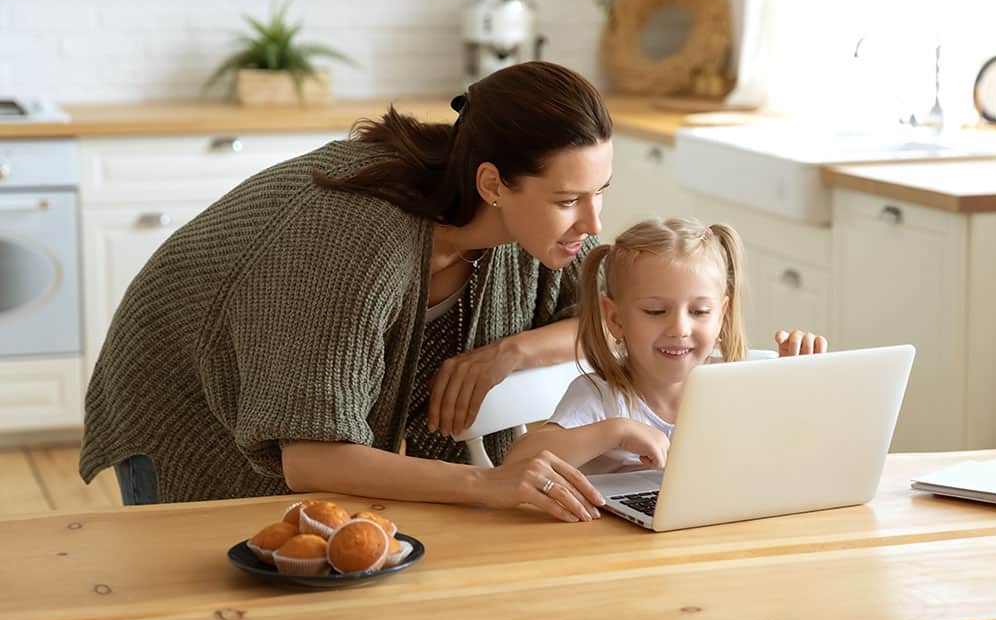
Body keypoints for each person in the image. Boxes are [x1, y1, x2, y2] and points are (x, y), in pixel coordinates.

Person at [79, 61, 613, 524]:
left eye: (599, 193)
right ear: (493, 185)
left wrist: (509, 352)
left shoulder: (536, 232)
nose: (591, 222)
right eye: (568, 200)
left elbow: (616, 314)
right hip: (184, 394)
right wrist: (489, 484)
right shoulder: (355, 240)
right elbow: (312, 458)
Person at [505, 217, 828, 474]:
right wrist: (614, 432)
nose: (679, 328)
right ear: (615, 319)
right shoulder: (601, 396)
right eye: (656, 312)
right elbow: (517, 462)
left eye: (700, 312)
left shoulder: (739, 381)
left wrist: (798, 384)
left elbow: (799, 458)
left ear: (722, 317)